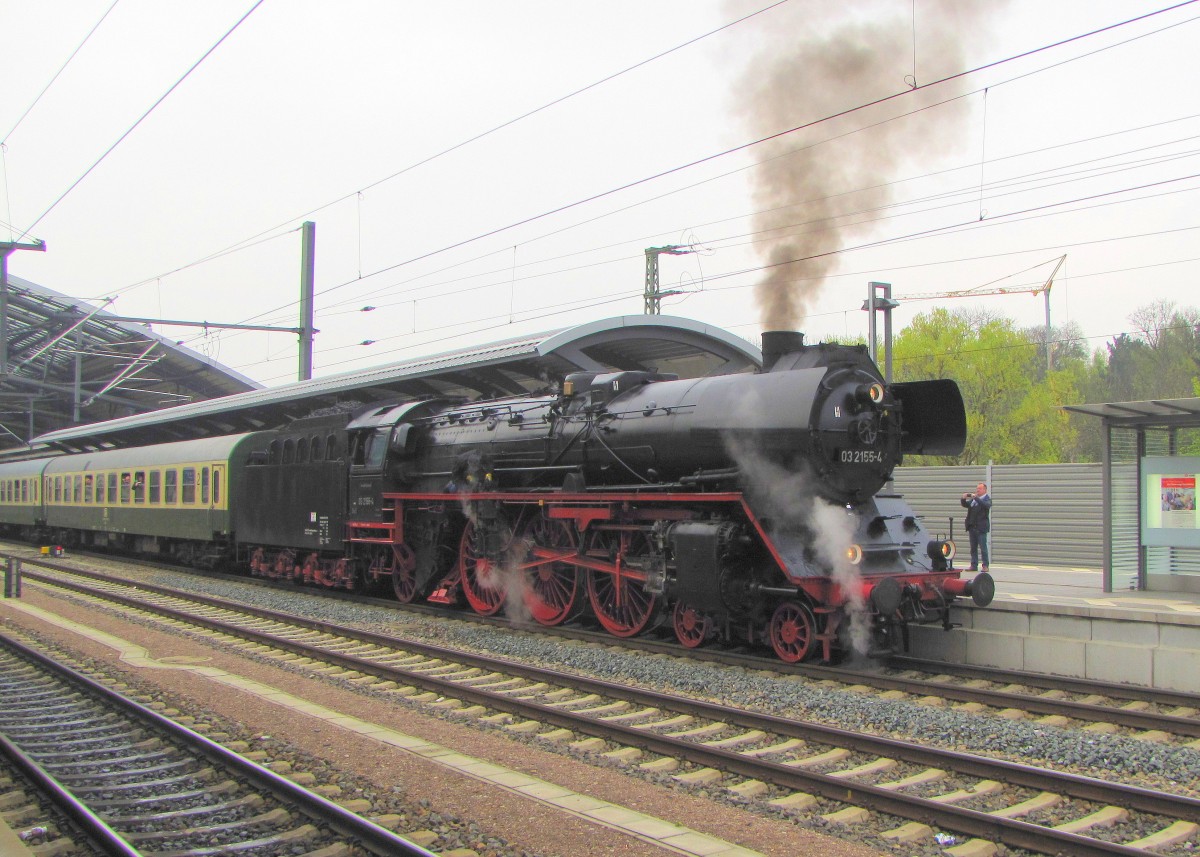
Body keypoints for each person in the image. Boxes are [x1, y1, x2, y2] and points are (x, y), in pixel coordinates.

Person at [960, 482, 992, 572]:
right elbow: (966, 505)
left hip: (981, 528)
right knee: (973, 548)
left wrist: (976, 498)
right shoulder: (973, 500)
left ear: (985, 490)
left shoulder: (987, 499)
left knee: (983, 548)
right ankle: (973, 565)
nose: (977, 490)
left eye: (980, 489)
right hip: (972, 527)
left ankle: (985, 565)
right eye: (977, 488)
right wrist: (963, 498)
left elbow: (985, 506)